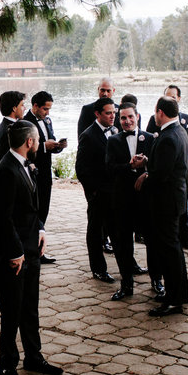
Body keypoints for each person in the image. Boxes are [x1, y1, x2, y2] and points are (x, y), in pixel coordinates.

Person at [0, 121, 64, 375]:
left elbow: (31, 207)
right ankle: (6, 364)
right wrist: (15, 253)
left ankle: (34, 356)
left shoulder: (25, 166)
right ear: (29, 142)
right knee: (12, 311)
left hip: (32, 247)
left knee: (30, 308)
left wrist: (41, 229)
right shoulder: (6, 171)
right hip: (14, 255)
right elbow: (3, 218)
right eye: (36, 141)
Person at [141, 96, 188, 317]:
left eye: (155, 111)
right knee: (174, 249)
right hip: (174, 199)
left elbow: (162, 174)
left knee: (169, 251)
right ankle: (180, 293)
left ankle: (174, 300)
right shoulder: (179, 130)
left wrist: (145, 176)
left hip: (166, 201)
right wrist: (149, 163)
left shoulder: (169, 137)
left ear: (160, 112)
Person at [106, 102, 157, 300]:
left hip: (146, 200)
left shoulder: (151, 138)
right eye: (123, 118)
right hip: (123, 200)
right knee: (123, 243)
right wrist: (129, 166)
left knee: (152, 242)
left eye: (130, 117)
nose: (127, 121)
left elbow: (159, 167)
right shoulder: (113, 141)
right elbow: (109, 169)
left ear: (137, 116)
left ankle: (157, 281)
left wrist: (146, 166)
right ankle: (126, 285)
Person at [146, 84, 188, 251]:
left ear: (179, 99)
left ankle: (185, 237)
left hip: (178, 171)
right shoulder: (158, 122)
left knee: (180, 207)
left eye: (173, 96)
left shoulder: (183, 123)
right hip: (170, 169)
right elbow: (150, 141)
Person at [76, 98, 118, 284]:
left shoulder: (115, 131)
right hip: (98, 194)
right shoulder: (88, 135)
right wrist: (92, 193)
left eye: (114, 112)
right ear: (97, 114)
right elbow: (81, 169)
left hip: (115, 193)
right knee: (95, 232)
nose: (112, 116)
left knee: (117, 230)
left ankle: (129, 264)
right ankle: (98, 270)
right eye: (108, 113)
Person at [23, 91, 67, 263]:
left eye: (49, 109)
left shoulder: (48, 121)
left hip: (46, 173)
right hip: (33, 173)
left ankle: (39, 250)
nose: (47, 112)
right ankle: (31, 251)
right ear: (35, 106)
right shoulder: (25, 122)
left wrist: (58, 146)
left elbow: (51, 141)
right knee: (35, 212)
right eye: (44, 109)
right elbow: (26, 148)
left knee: (44, 210)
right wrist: (42, 146)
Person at [0, 90, 26, 164]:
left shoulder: (4, 125)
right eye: (22, 105)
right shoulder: (11, 130)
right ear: (14, 108)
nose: (24, 108)